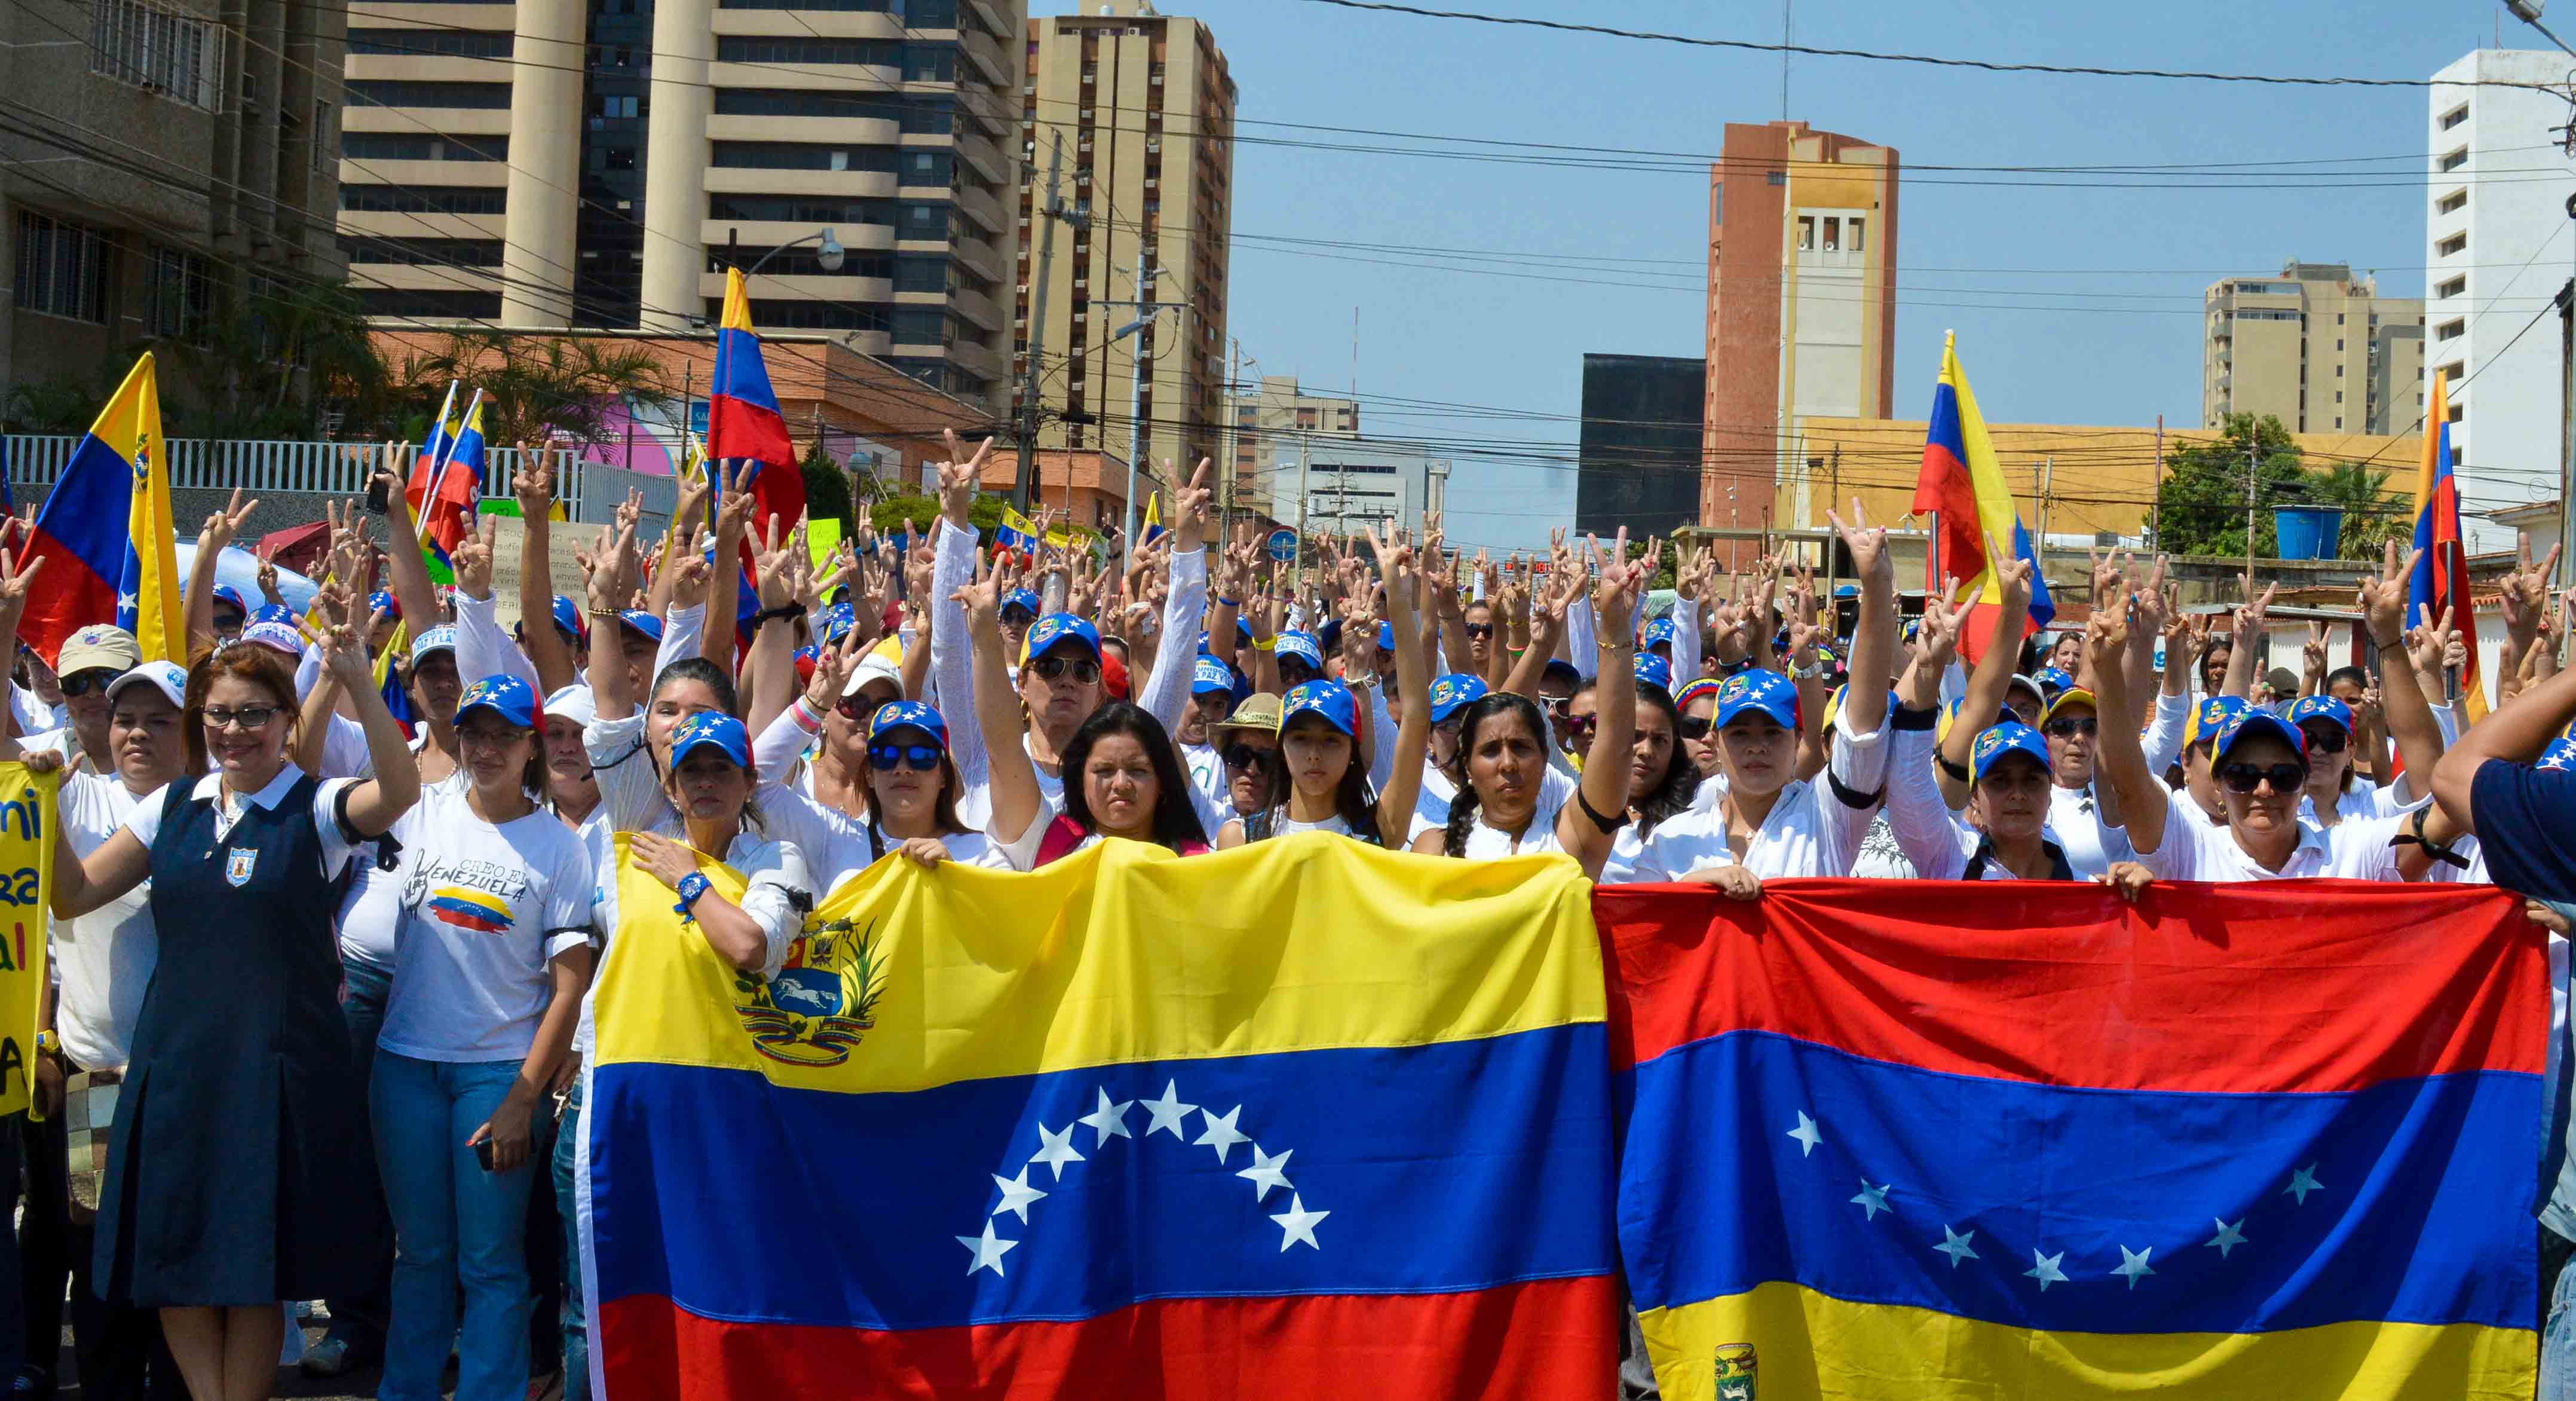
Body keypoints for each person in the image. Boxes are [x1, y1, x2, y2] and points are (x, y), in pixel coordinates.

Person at [50, 581, 421, 1401]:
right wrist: (38, 799)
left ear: (287, 722)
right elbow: (71, 894)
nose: (233, 730)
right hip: (175, 1070)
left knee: (253, 1272)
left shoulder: (314, 806)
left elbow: (399, 794)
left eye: (253, 714)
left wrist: (356, 674)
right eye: (219, 713)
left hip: (274, 1073)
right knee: (175, 1265)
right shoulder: (169, 807)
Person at [369, 675, 595, 1401]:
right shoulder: (423, 811)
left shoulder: (560, 848)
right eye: (474, 733)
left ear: (533, 745)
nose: (487, 748)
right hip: (404, 1066)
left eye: (504, 734)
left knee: (490, 1262)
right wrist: (347, 671)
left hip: (497, 1074)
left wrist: (523, 1098)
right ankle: (405, 1389)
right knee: (421, 1254)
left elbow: (569, 986)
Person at [2091, 543, 2449, 888]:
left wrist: (2388, 641)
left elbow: (2436, 785)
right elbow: (2127, 780)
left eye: (2284, 776)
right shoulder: (2191, 850)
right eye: (2243, 776)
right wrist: (2108, 669)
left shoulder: (2351, 851)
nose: (2264, 790)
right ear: (2218, 783)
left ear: (2304, 783)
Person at [1614, 505, 1898, 894]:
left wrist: (1877, 588)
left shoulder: (1827, 818)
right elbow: (1636, 916)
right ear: (1714, 740)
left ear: (1798, 740)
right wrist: (1695, 886)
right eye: (1740, 734)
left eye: (1772, 732)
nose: (1757, 748)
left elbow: (1862, 726)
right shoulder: (1674, 837)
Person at [1413, 531, 1645, 877]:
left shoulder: (1572, 841)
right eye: (1490, 750)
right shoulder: (1433, 850)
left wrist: (1614, 629)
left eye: (1521, 747)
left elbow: (1615, 744)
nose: (1508, 764)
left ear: (1546, 756)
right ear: (1467, 765)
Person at [965, 555, 1211, 865]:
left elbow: (1163, 711)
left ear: (1164, 779)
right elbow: (1002, 748)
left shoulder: (1196, 862)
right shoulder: (1051, 845)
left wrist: (1188, 551)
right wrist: (985, 637)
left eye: (1138, 770)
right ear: (1078, 779)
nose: (1121, 784)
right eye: (1104, 771)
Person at [1219, 528, 1429, 849]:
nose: (1314, 756)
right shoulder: (1242, 837)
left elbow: (1416, 718)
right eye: (1300, 739)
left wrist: (1399, 603)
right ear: (1281, 748)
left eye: (1331, 741)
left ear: (1352, 752)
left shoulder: (1377, 832)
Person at [1597, 655, 1703, 882]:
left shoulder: (1700, 804)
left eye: (1659, 740)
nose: (1646, 750)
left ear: (1675, 747)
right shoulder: (1579, 805)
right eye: (1635, 736)